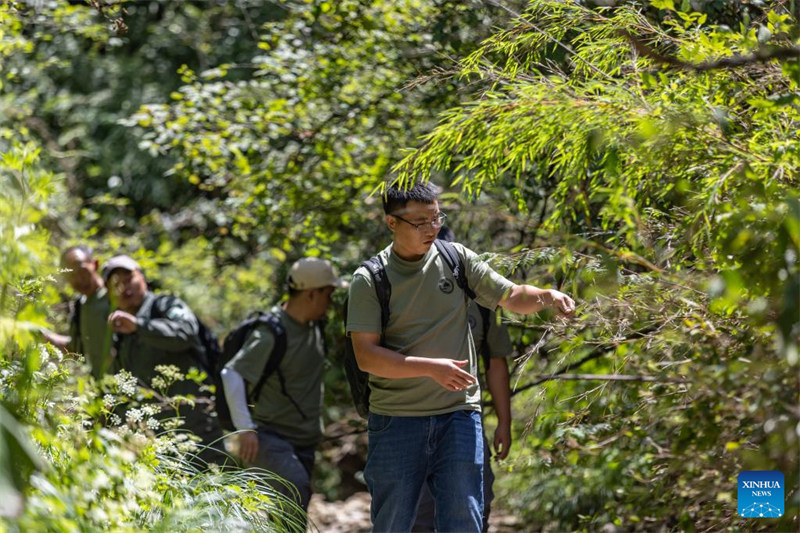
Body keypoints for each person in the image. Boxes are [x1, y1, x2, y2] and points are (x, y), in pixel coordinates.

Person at [347, 181, 575, 532]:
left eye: (436, 217)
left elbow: (512, 295)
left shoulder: (456, 259)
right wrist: (430, 369)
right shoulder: (370, 279)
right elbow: (367, 357)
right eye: (420, 222)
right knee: (393, 523)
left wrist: (546, 295)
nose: (432, 228)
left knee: (465, 520)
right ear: (392, 223)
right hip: (396, 420)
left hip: (459, 415)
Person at [220, 257, 348, 519]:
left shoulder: (314, 326)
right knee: (294, 493)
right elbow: (231, 374)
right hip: (270, 439)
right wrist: (245, 429)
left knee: (287, 512)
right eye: (328, 294)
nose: (331, 301)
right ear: (312, 294)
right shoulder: (271, 332)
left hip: (304, 442)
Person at [412, 228, 514, 532]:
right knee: (417, 516)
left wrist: (505, 424)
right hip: (409, 420)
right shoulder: (397, 292)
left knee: (473, 508)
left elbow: (496, 363)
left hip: (465, 420)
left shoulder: (480, 300)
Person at [103, 254, 226, 466]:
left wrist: (140, 326)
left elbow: (186, 331)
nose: (124, 287)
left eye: (128, 278)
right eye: (116, 284)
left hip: (193, 421)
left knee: (212, 484)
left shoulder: (165, 305)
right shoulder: (117, 328)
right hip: (151, 432)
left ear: (142, 278)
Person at [42, 245, 112, 379]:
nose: (78, 279)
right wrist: (44, 337)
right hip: (103, 391)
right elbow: (75, 350)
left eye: (81, 270)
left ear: (95, 264)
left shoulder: (116, 297)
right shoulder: (80, 306)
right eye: (70, 275)